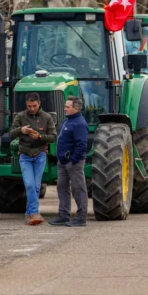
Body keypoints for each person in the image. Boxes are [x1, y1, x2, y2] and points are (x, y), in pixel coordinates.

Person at [9, 93, 57, 226]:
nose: (31, 108)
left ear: (39, 104)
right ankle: (34, 213)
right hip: (24, 155)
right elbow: (11, 133)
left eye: (34, 106)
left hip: (40, 154)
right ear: (26, 104)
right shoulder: (20, 116)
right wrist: (21, 130)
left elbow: (53, 136)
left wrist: (40, 137)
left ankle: (30, 213)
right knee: (29, 184)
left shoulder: (47, 117)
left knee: (36, 186)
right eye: (29, 106)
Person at [49, 96, 89, 227]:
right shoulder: (66, 121)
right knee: (62, 187)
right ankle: (63, 215)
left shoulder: (79, 124)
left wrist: (73, 160)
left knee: (78, 189)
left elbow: (82, 145)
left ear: (76, 108)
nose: (65, 108)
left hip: (73, 163)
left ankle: (81, 218)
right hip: (62, 162)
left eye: (67, 106)